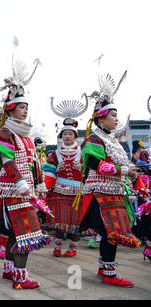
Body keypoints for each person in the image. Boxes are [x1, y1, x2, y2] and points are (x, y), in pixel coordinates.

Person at [0, 40, 49, 289]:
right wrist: (21, 182)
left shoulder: (26, 137)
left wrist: (40, 182)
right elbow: (6, 160)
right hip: (14, 190)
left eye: (26, 107)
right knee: (25, 233)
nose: (25, 111)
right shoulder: (5, 133)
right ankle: (21, 278)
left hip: (26, 190)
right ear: (10, 109)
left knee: (15, 232)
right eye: (21, 107)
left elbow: (35, 163)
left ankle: (9, 270)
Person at [78, 69, 141, 287]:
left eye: (116, 115)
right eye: (113, 116)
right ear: (101, 118)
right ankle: (109, 274)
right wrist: (125, 172)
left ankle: (104, 267)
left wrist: (131, 172)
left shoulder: (113, 140)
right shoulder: (95, 138)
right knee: (111, 233)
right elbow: (98, 165)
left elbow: (118, 165)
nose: (117, 119)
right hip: (101, 193)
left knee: (109, 233)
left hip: (114, 192)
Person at [43, 98, 88, 258]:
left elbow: (87, 173)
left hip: (77, 193)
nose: (67, 136)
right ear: (61, 136)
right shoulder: (54, 154)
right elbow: (49, 174)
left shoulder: (83, 153)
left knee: (75, 222)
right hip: (58, 192)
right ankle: (57, 246)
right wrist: (44, 189)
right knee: (59, 222)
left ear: (75, 136)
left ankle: (73, 247)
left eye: (70, 133)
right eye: (65, 134)